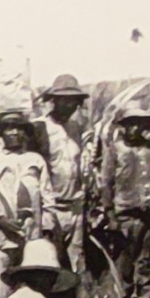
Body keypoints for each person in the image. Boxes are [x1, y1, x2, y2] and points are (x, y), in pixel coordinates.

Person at [0, 109, 57, 298]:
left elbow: (47, 197)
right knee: (5, 287)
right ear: (1, 134)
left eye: (19, 129)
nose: (14, 133)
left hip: (32, 238)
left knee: (34, 288)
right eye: (8, 129)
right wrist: (1, 220)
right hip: (4, 239)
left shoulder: (35, 160)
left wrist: (46, 228)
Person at [100, 105, 150, 298]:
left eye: (138, 124)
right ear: (123, 127)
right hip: (126, 214)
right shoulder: (115, 150)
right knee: (124, 260)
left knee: (148, 260)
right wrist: (110, 215)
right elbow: (106, 183)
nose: (134, 129)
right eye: (130, 124)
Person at [34, 74, 91, 272]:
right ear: (54, 101)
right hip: (52, 206)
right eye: (64, 100)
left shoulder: (76, 127)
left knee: (75, 257)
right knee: (51, 258)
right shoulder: (40, 128)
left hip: (74, 204)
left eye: (73, 100)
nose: (69, 105)